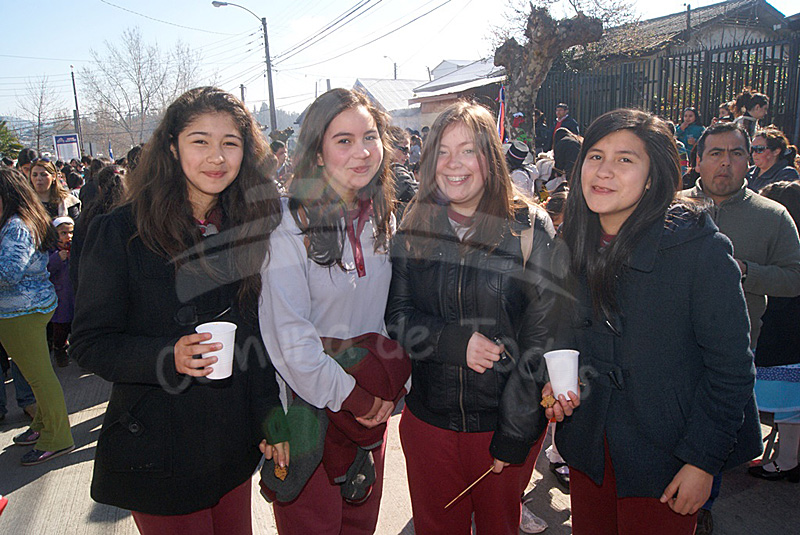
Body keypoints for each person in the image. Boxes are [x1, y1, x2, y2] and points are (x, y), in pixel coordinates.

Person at [69, 87, 289, 534]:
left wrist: (271, 418)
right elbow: (89, 344)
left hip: (230, 446)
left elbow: (253, 337)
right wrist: (168, 356)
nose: (217, 156)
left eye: (230, 143)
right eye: (200, 141)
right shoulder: (121, 232)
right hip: (158, 451)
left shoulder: (244, 227)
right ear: (172, 146)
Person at [548, 109, 762, 535]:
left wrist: (702, 461)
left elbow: (732, 370)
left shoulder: (699, 251)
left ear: (652, 177)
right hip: (590, 451)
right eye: (595, 156)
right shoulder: (572, 243)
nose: (604, 171)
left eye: (625, 159)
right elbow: (560, 335)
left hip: (667, 461)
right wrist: (552, 384)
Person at [386, 101, 564, 535]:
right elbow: (398, 317)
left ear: (490, 156)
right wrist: (452, 342)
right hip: (429, 425)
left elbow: (544, 335)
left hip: (502, 423)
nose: (454, 164)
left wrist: (516, 431)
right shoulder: (414, 225)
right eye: (443, 152)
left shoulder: (528, 227)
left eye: (468, 150)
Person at [258, 88, 399, 535]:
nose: (363, 151)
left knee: (361, 524)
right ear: (317, 154)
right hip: (309, 416)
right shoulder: (288, 226)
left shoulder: (382, 217)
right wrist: (357, 399)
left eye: (370, 136)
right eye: (344, 141)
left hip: (369, 411)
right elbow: (291, 340)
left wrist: (387, 388)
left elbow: (381, 319)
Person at [0, 167, 75, 465]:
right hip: (24, 310)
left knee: (40, 378)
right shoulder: (20, 221)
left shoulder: (17, 226)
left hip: (23, 312)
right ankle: (43, 424)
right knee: (37, 375)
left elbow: (8, 272)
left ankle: (57, 438)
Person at [748, 181, 800, 484]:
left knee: (789, 405)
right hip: (787, 342)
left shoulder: (786, 248)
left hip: (783, 344)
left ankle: (787, 461)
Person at [69, 164, 126, 293]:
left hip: (95, 287)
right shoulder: (136, 216)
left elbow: (76, 260)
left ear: (99, 188)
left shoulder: (87, 217)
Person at [47, 216, 75, 368]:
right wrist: (57, 259)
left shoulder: (75, 249)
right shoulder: (52, 251)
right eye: (63, 233)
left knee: (76, 327)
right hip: (60, 297)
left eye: (71, 232)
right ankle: (59, 350)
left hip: (74, 296)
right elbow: (47, 270)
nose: (68, 236)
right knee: (60, 328)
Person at [746, 127, 799, 192]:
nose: (754, 154)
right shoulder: (748, 172)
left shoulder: (787, 174)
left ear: (776, 151)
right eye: (752, 149)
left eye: (759, 149)